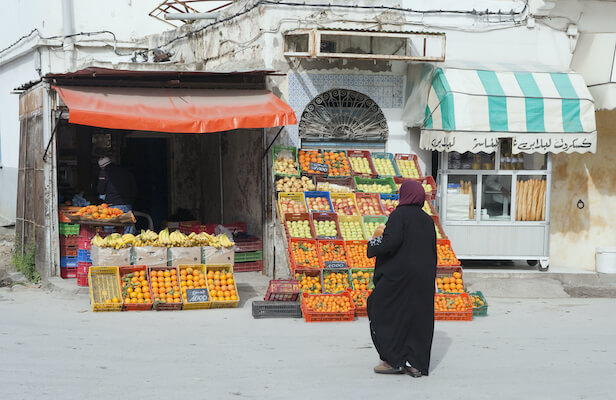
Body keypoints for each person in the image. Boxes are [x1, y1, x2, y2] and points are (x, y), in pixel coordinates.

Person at [367, 180, 437, 377]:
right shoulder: (427, 220)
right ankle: (416, 364)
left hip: (399, 278)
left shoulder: (399, 215)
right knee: (418, 318)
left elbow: (391, 242)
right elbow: (432, 251)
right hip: (422, 279)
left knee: (383, 310)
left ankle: (392, 360)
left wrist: (372, 244)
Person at [97, 157, 137, 232]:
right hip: (127, 205)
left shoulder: (104, 172)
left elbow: (101, 190)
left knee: (110, 233)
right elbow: (134, 189)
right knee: (128, 231)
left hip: (112, 206)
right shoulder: (125, 171)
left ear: (102, 167)